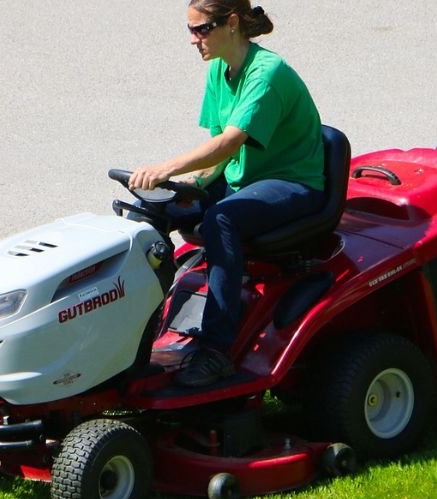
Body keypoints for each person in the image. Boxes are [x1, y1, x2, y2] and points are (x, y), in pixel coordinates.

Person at [129, 1, 324, 388]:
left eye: (201, 29)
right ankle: (135, 338)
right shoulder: (219, 68)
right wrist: (183, 189)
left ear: (231, 23)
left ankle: (217, 351)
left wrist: (167, 168)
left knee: (220, 220)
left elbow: (229, 144)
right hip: (242, 176)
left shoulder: (267, 74)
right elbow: (218, 149)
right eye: (190, 29)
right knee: (150, 209)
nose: (192, 39)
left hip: (293, 183)